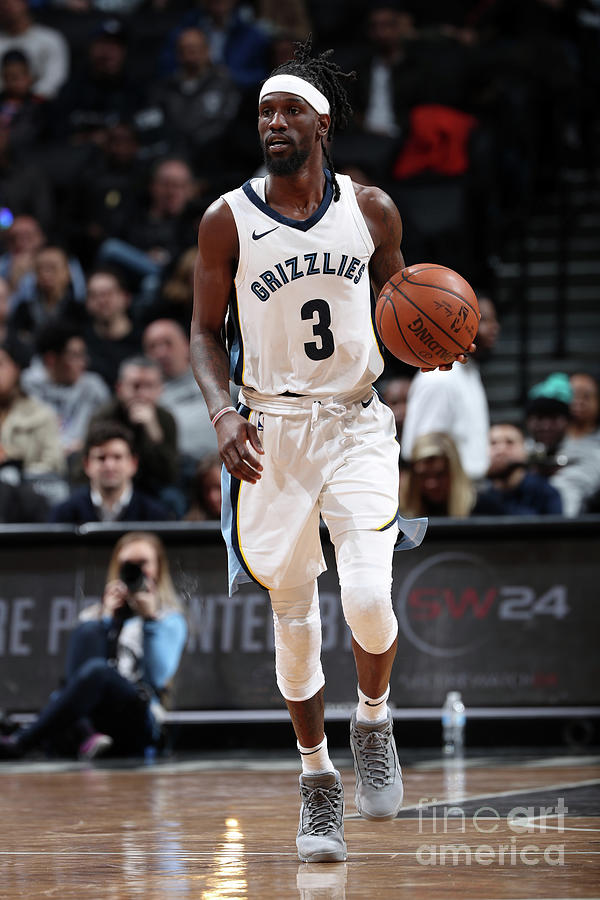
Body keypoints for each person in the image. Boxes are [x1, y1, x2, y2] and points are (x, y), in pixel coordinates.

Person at [190, 37, 471, 863]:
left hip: (355, 421)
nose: (273, 123)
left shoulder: (372, 209)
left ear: (321, 122)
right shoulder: (226, 219)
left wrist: (435, 342)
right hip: (269, 430)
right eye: (263, 113)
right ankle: (317, 781)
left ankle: (375, 724)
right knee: (295, 621)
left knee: (370, 598)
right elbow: (204, 336)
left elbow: (401, 301)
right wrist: (220, 415)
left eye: (287, 111)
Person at [0, 531, 187, 760]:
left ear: (158, 568)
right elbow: (76, 676)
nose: (135, 570)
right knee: (85, 660)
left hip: (136, 715)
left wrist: (149, 620)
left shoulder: (168, 620)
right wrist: (106, 618)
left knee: (98, 671)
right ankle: (86, 735)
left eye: (143, 563)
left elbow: (157, 677)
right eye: (127, 564)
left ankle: (21, 741)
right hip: (91, 714)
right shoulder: (95, 616)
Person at [401, 292, 500, 481]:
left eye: (495, 320)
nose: (495, 327)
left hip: (469, 491)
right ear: (459, 324)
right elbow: (424, 455)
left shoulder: (468, 371)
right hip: (446, 500)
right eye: (486, 320)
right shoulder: (440, 378)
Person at [90, 356, 180, 506]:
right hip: (110, 482)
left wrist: (154, 433)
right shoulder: (104, 416)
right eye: (136, 386)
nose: (142, 394)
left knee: (172, 497)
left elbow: (170, 475)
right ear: (119, 388)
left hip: (151, 487)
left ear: (160, 390)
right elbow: (90, 465)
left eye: (149, 386)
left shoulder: (166, 419)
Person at [21, 320, 110, 458]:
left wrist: (86, 444)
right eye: (75, 355)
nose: (83, 362)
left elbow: (107, 429)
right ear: (51, 359)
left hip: (83, 459)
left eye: (83, 354)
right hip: (38, 461)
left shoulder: (94, 388)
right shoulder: (26, 387)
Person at [50, 421, 169, 524]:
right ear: (86, 465)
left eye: (117, 457)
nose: (109, 466)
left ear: (133, 464)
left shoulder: (155, 516)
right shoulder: (64, 514)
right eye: (101, 458)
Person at [525, 373, 600, 518]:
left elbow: (566, 510)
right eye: (539, 418)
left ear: (567, 422)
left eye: (553, 418)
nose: (546, 426)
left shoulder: (587, 455)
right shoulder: (521, 450)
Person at [142, 318, 217, 461]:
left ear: (186, 344)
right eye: (152, 347)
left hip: (222, 463)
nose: (161, 352)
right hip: (178, 469)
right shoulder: (146, 393)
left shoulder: (215, 377)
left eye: (168, 343)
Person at [0, 333, 64, 477]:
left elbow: (54, 464)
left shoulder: (41, 414)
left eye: (1, 365)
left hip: (26, 492)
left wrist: (15, 466)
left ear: (16, 369)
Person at [472, 422, 562, 516]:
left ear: (524, 450)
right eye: (493, 443)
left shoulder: (545, 493)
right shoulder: (477, 496)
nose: (500, 450)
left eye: (510, 442)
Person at [399, 431, 474, 518]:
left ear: (454, 472)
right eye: (423, 476)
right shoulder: (396, 513)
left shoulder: (484, 509)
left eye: (440, 475)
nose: (431, 484)